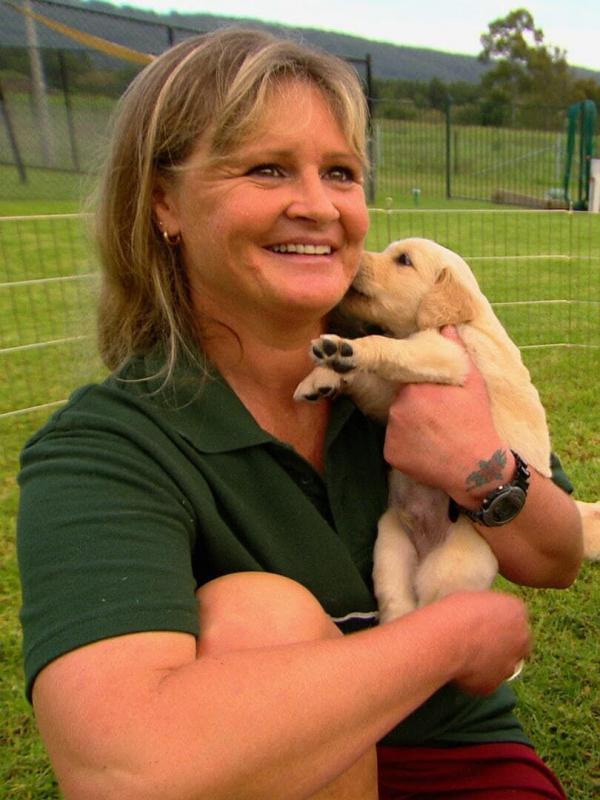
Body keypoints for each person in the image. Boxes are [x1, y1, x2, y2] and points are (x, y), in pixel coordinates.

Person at [17, 28, 583, 800]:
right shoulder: (106, 449)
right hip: (262, 767)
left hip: (456, 752)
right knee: (258, 614)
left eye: (341, 173)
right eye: (267, 168)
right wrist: (446, 638)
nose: (318, 207)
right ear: (163, 202)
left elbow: (552, 561)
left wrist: (480, 465)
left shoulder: (422, 363)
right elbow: (120, 769)